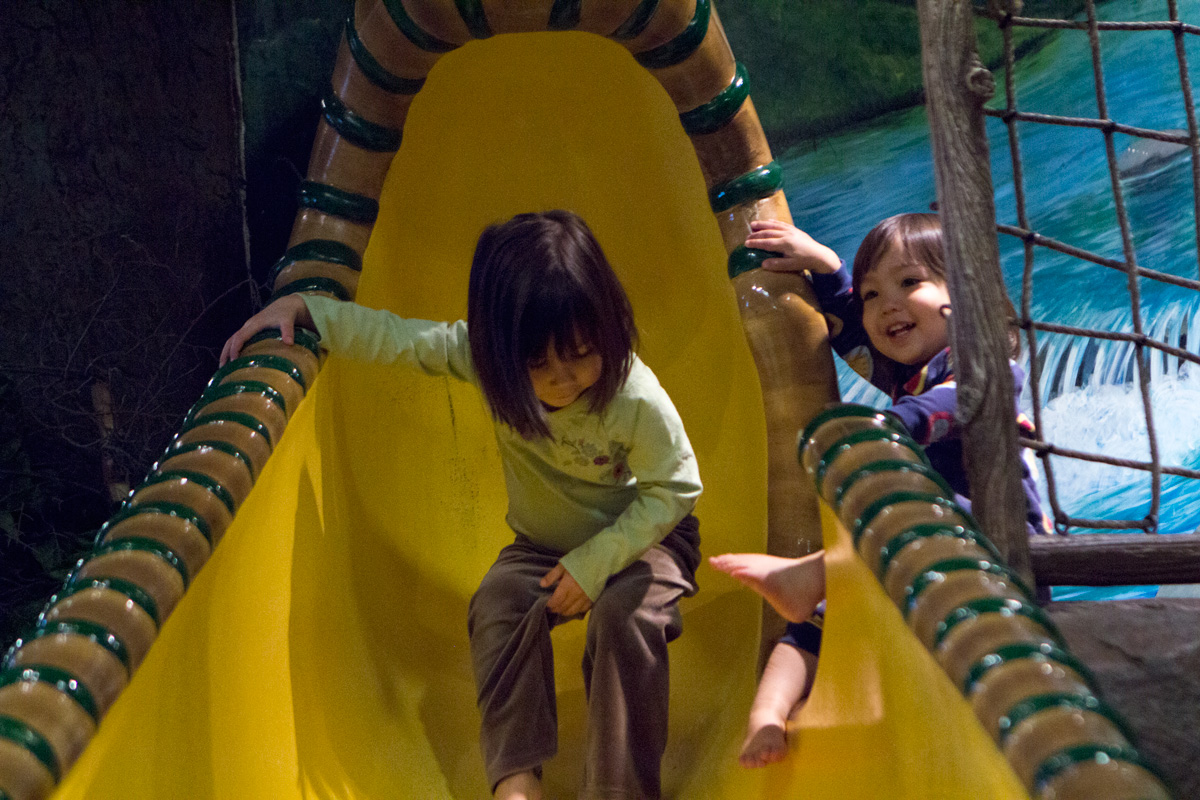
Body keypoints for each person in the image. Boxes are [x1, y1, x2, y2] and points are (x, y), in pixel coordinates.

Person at [221, 210, 703, 800]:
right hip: (543, 547)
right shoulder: (487, 364)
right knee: (498, 603)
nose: (563, 379)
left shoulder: (632, 396)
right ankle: (516, 782)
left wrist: (596, 562)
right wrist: (309, 311)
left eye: (581, 352)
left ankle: (618, 789)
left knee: (625, 616)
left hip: (646, 542)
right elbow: (400, 339)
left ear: (607, 328)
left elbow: (675, 489)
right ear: (500, 356)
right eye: (537, 364)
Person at [710, 213, 1051, 768]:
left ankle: (817, 570)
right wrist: (828, 267)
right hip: (924, 552)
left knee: (894, 529)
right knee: (816, 623)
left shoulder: (985, 366)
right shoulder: (906, 375)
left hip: (1005, 545)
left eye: (909, 283)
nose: (887, 306)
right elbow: (854, 333)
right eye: (873, 295)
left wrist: (880, 428)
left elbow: (940, 409)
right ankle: (767, 713)